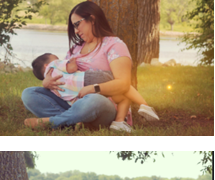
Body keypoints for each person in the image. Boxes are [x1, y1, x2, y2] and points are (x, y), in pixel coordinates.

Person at [21, 1, 160, 132]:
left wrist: (93, 88)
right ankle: (73, 120)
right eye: (74, 27)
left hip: (102, 104)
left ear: (92, 19)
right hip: (73, 102)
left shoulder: (114, 46)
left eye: (77, 24)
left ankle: (54, 121)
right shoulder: (75, 49)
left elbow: (124, 84)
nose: (75, 31)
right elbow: (65, 76)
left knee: (93, 100)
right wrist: (47, 83)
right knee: (29, 93)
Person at [30, 53, 159, 132]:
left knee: (123, 97)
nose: (58, 58)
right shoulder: (54, 64)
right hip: (86, 80)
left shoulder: (52, 87)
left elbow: (69, 98)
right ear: (47, 65)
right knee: (119, 82)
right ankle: (145, 105)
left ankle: (119, 122)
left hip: (80, 96)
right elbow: (71, 67)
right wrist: (74, 62)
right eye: (55, 57)